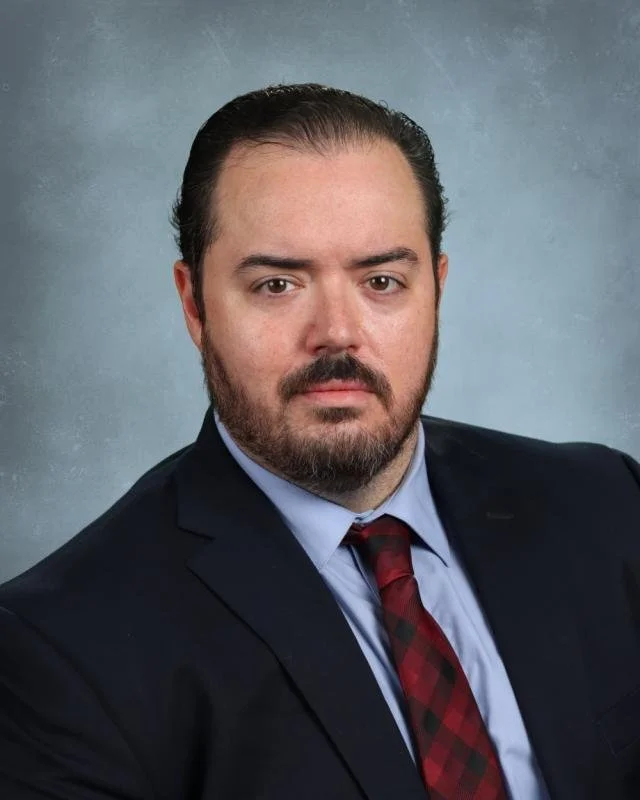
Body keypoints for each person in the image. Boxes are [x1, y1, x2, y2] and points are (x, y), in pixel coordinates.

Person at [0, 83, 639, 800]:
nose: (337, 333)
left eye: (382, 280)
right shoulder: (61, 649)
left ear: (436, 288)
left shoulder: (608, 507)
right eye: (278, 285)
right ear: (194, 304)